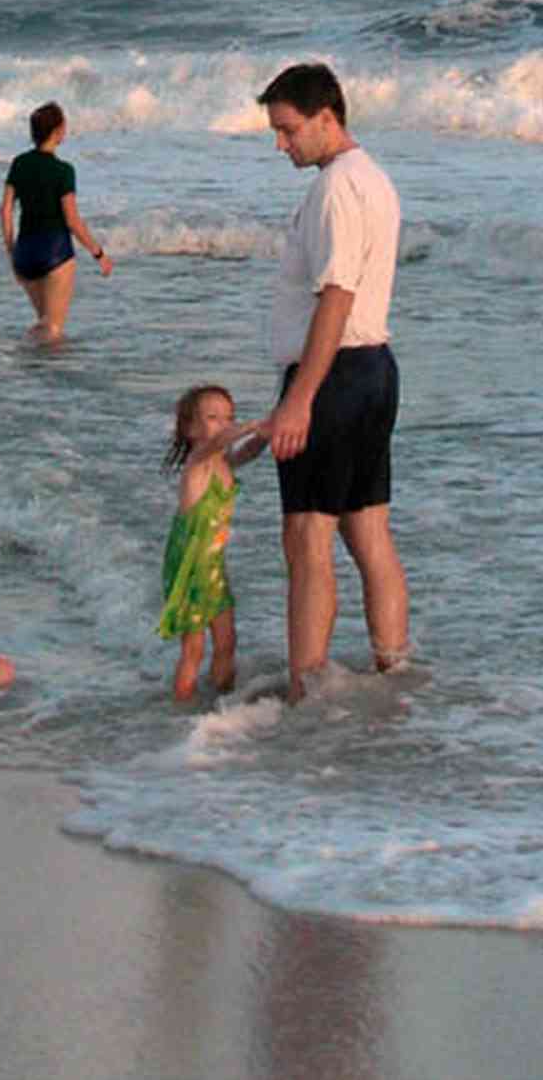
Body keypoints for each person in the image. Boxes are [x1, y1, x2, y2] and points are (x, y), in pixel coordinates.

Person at [255, 62, 409, 701]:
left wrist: (299, 399)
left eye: (288, 130)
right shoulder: (374, 180)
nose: (280, 144)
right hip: (373, 369)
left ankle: (306, 689)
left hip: (336, 374)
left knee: (307, 532)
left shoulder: (338, 189)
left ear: (326, 117)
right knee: (366, 527)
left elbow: (336, 298)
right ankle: (394, 666)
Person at [158, 383, 266, 702]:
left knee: (227, 639)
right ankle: (181, 706)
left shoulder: (223, 460)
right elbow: (222, 439)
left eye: (229, 417)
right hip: (190, 564)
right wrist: (248, 427)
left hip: (213, 564)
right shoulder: (199, 460)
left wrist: (266, 434)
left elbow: (246, 450)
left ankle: (222, 698)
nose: (224, 424)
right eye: (213, 417)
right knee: (194, 647)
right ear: (191, 428)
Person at [0, 100, 111, 343]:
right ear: (58, 131)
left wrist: (11, 252)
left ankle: (33, 370)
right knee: (52, 329)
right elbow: (72, 220)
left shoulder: (19, 163)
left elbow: (6, 210)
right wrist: (99, 254)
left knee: (44, 322)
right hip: (55, 251)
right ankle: (35, 367)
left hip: (25, 252)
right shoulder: (63, 170)